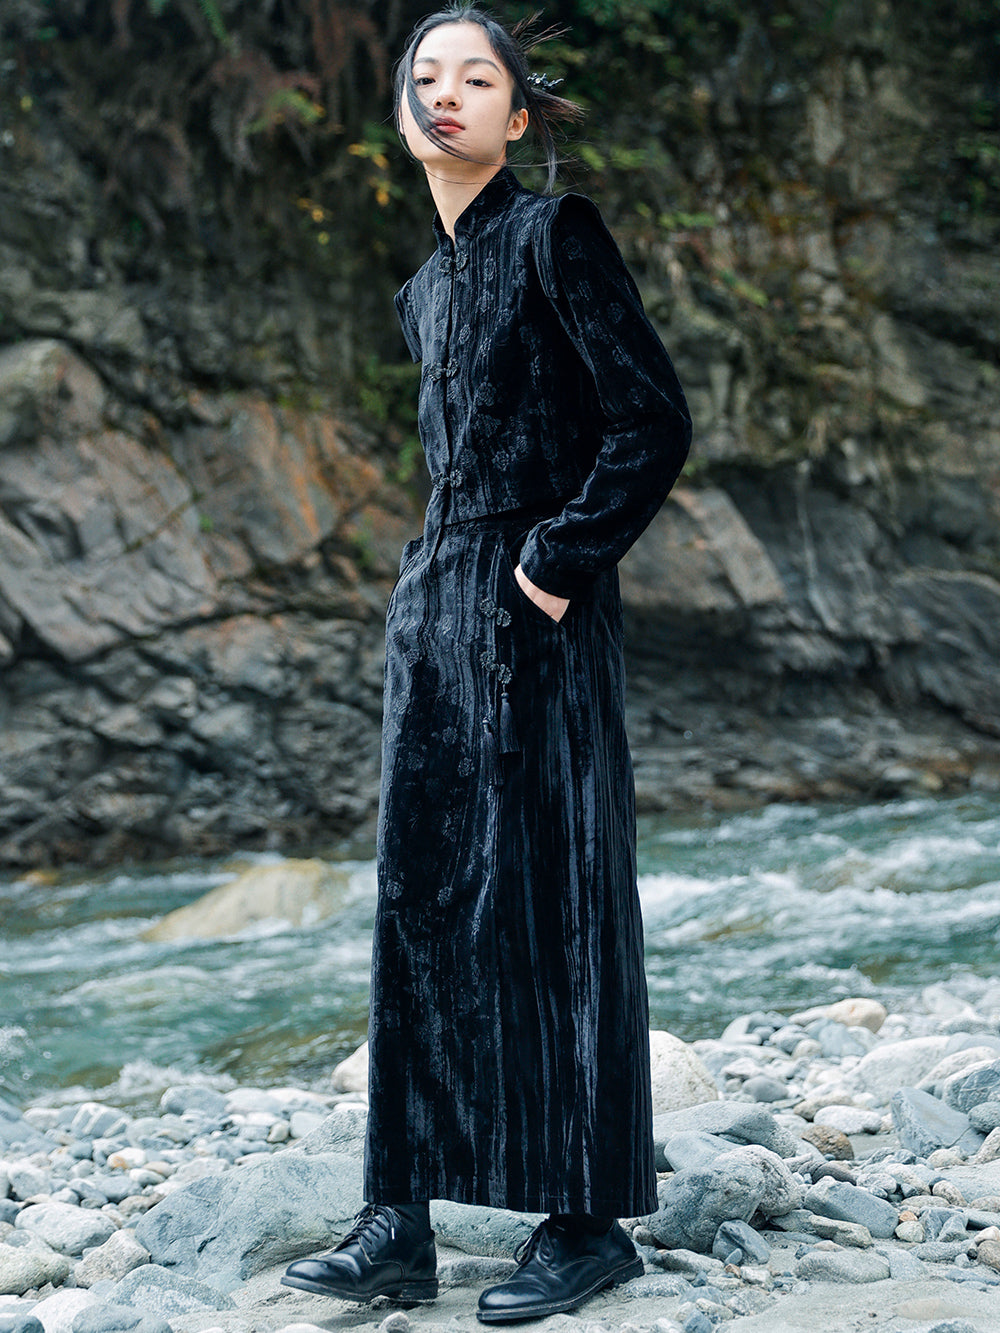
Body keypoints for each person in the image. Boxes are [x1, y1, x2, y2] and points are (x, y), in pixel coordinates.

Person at [282, 4, 691, 1323]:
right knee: (419, 896)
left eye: (477, 78)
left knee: (559, 891)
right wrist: (435, 596)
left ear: (517, 115)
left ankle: (584, 1222)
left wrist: (558, 560)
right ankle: (397, 1216)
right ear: (407, 118)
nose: (447, 94)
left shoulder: (555, 235)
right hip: (437, 608)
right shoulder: (422, 289)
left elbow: (650, 419)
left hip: (541, 602)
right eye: (426, 78)